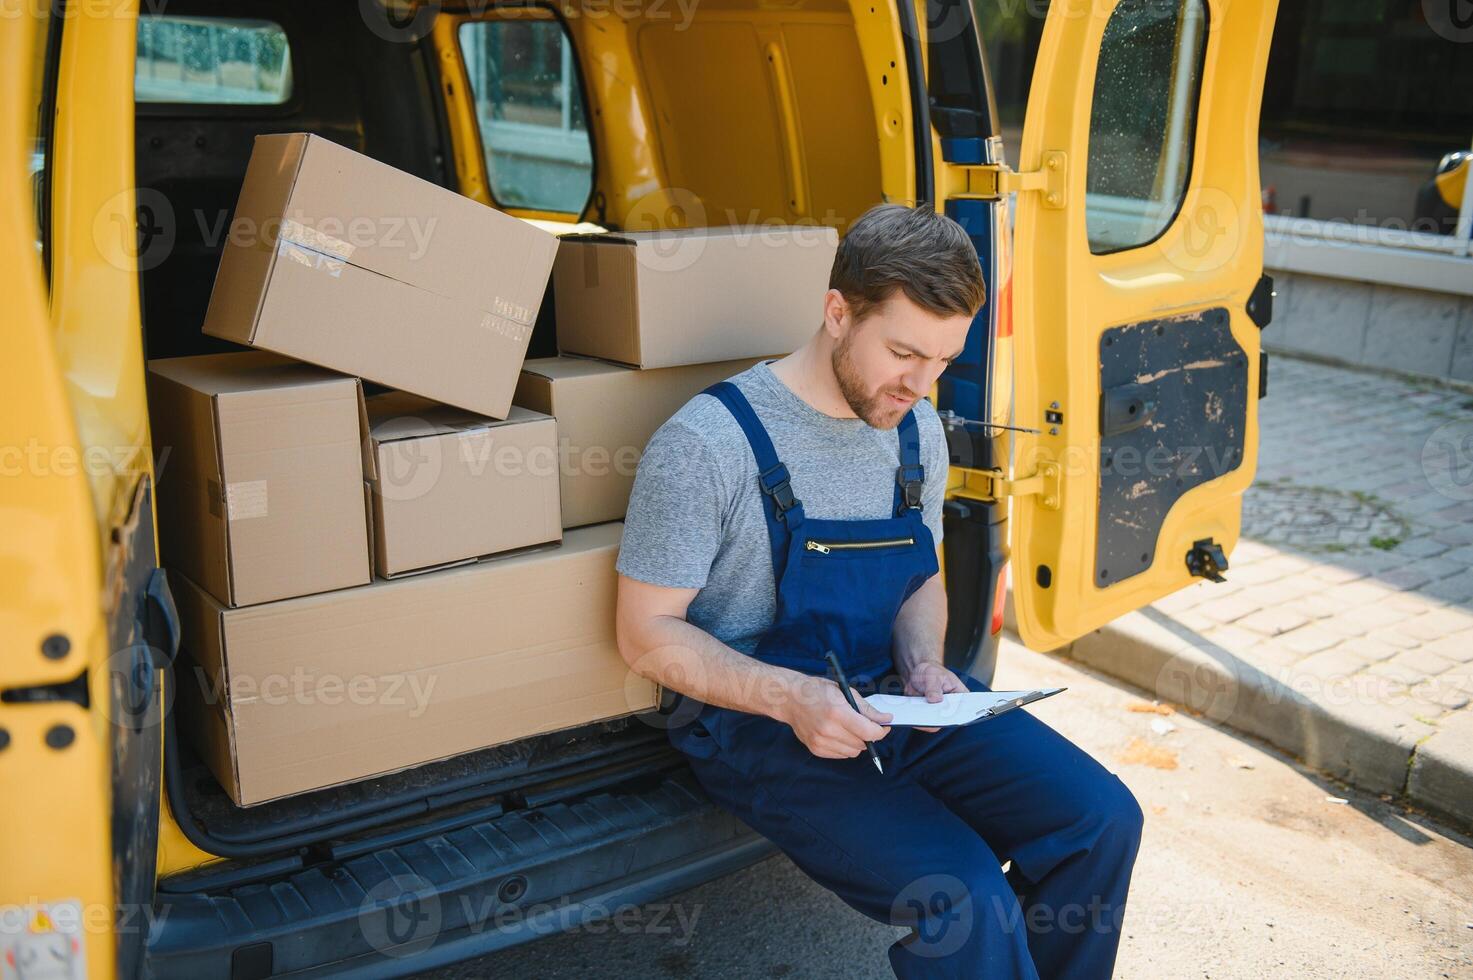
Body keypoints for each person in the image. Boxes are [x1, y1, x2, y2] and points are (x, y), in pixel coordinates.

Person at [613, 203, 1144, 979]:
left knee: (1100, 819)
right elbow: (646, 634)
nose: (921, 384)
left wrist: (926, 664)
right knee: (962, 899)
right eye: (902, 353)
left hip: (892, 697)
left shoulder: (913, 426)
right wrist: (794, 700)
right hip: (757, 726)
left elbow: (919, 575)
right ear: (837, 313)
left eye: (942, 359)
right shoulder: (706, 445)